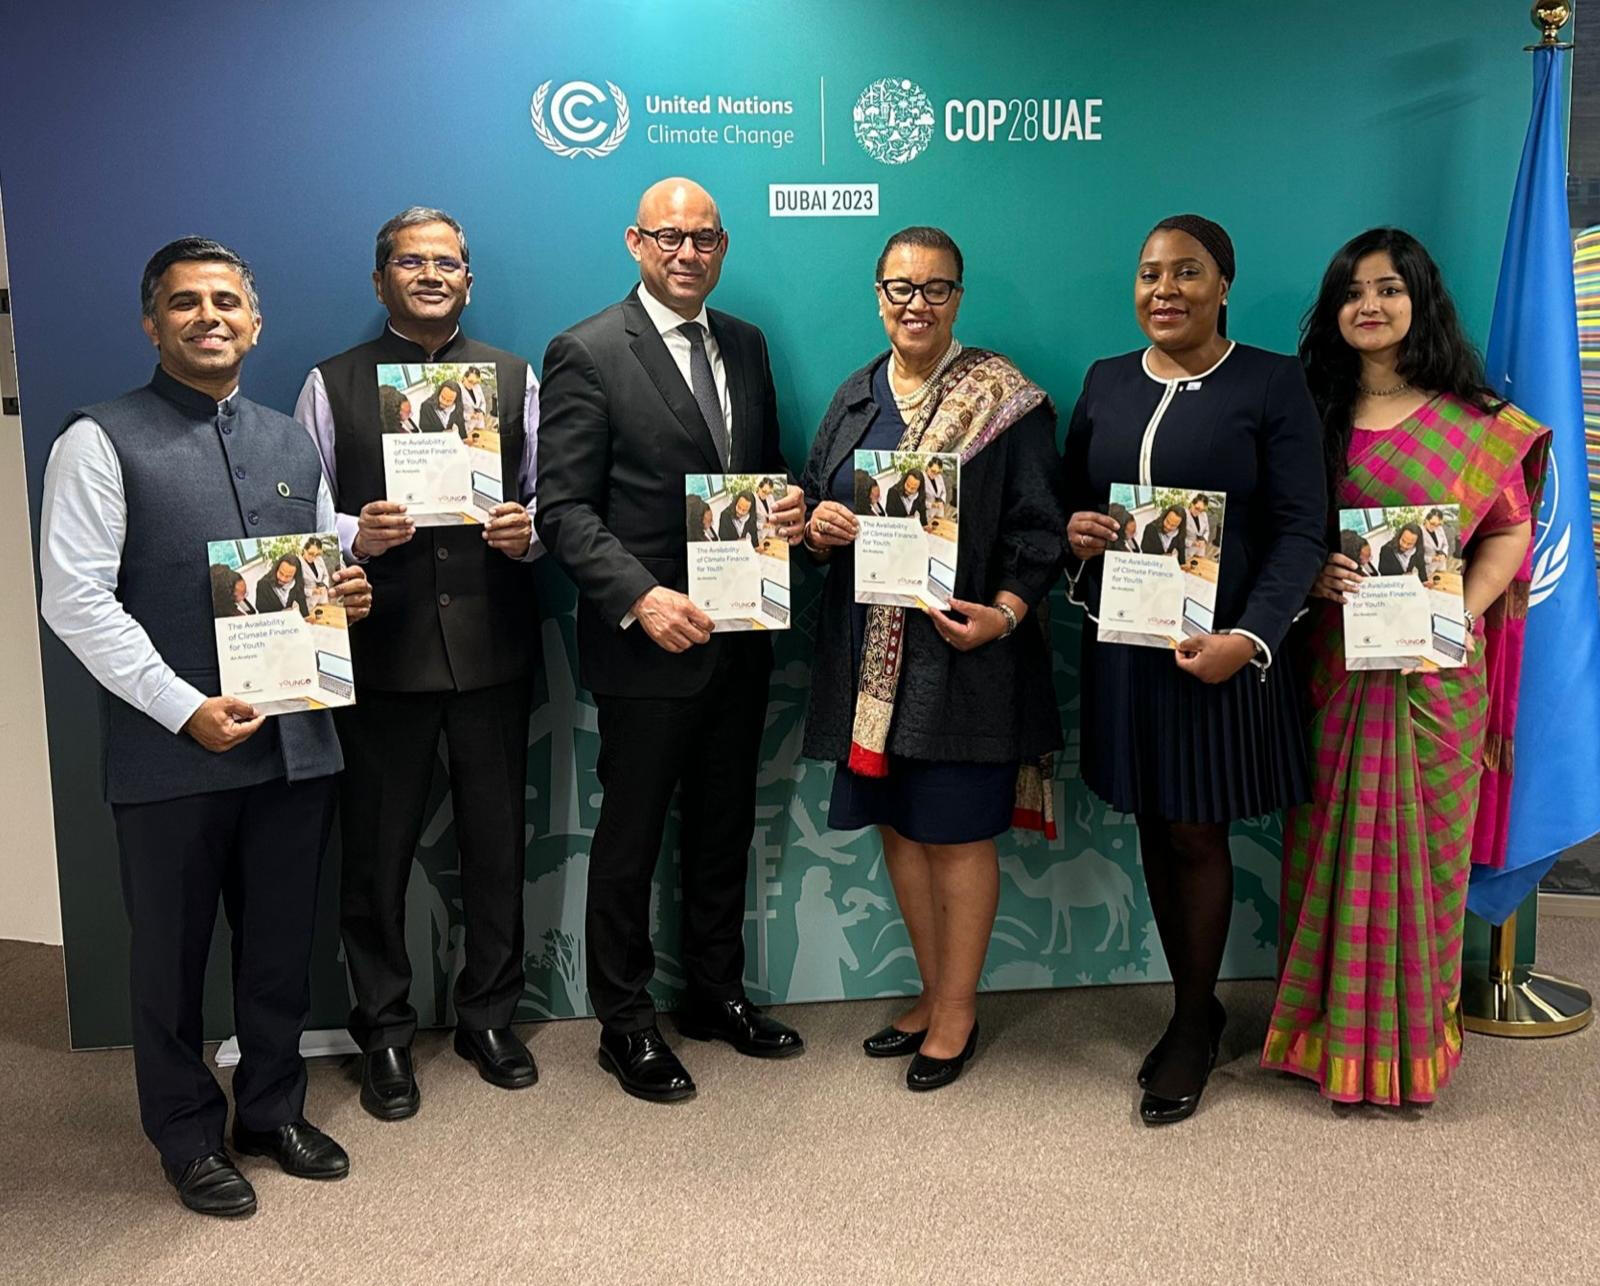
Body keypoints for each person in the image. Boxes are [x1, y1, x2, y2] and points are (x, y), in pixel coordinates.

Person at [38, 238, 372, 1217]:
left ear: (254, 322)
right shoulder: (98, 438)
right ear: (153, 323)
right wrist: (186, 706)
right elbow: (76, 600)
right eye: (184, 302)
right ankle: (186, 1133)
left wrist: (344, 594)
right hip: (172, 753)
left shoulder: (290, 440)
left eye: (227, 299)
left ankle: (270, 1109)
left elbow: (309, 580)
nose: (208, 315)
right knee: (169, 958)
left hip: (293, 743)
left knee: (277, 947)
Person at [1262, 227, 1549, 1105]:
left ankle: (1415, 1049)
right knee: (1325, 851)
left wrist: (1454, 613)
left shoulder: (1474, 423)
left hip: (1436, 681)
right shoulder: (1308, 413)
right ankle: (1326, 1042)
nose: (1369, 307)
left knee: (1424, 861)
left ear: (1419, 301)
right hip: (1335, 669)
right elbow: (1280, 527)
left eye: (1388, 289)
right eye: (1352, 293)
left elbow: (1508, 533)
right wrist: (1313, 571)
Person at [536, 177, 807, 1102]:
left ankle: (714, 995)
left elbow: (755, 477)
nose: (687, 253)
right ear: (634, 242)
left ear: (723, 247)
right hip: (647, 646)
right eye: (669, 238)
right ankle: (624, 1022)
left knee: (724, 827)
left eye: (705, 239)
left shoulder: (746, 344)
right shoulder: (586, 350)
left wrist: (787, 509)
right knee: (632, 838)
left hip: (739, 637)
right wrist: (642, 598)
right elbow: (563, 510)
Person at [1062, 214, 1326, 1125]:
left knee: (1196, 833)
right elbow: (1071, 498)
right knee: (1153, 821)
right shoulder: (1103, 381)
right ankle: (1197, 997)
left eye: (1186, 273)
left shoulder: (1270, 382)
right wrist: (1076, 530)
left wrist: (1249, 639)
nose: (1163, 290)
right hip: (1127, 649)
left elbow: (1302, 530)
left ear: (1224, 285)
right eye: (1148, 274)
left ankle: (1190, 1022)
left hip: (1217, 656)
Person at [799, 225, 1065, 1092]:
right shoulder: (853, 397)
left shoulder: (1009, 401)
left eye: (935, 289)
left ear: (960, 296)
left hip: (966, 657)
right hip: (868, 668)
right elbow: (812, 509)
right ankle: (929, 989)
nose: (916, 304)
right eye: (900, 288)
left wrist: (1006, 613)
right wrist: (819, 529)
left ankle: (957, 1011)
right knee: (900, 832)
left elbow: (1040, 531)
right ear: (878, 295)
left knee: (953, 836)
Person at [294, 206, 543, 1121]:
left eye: (447, 262)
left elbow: (543, 501)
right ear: (380, 280)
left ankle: (488, 1017)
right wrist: (349, 533)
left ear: (468, 279)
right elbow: (304, 517)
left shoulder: (515, 376)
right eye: (412, 261)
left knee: (495, 849)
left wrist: (529, 533)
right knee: (375, 857)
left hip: (491, 652)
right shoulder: (330, 384)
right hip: (380, 656)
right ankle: (385, 1034)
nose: (431, 274)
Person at [298, 536, 333, 605]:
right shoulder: (297, 564)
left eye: (316, 554)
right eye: (311, 554)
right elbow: (297, 590)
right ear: (304, 549)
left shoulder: (319, 559)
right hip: (309, 603)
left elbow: (325, 575)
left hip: (323, 599)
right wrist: (312, 591)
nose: (313, 558)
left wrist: (324, 585)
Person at [1421, 505, 1457, 571]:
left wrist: (1444, 554)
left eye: (1437, 525)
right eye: (1432, 523)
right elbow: (1417, 556)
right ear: (1426, 520)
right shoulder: (1419, 532)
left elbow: (1445, 544)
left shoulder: (1439, 528)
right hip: (1427, 568)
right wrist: (1432, 559)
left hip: (1441, 566)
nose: (1434, 527)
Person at [460, 365, 491, 432]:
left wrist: (481, 412)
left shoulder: (477, 387)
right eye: (470, 381)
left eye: (475, 383)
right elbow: (455, 411)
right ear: (464, 377)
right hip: (466, 426)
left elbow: (483, 402)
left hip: (479, 424)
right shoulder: (458, 390)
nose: (472, 385)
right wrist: (469, 416)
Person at [1185, 493, 1212, 561]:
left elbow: (1207, 530)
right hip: (1188, 551)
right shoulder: (1184, 515)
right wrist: (1192, 543)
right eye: (1197, 508)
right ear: (1192, 504)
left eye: (1202, 510)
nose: (1198, 512)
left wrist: (1204, 540)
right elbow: (1178, 537)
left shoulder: (1204, 515)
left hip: (1200, 550)